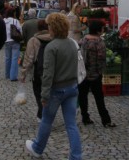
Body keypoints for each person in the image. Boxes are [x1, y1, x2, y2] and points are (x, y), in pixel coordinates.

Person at [25, 13, 82, 160]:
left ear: (54, 27)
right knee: (71, 125)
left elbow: (48, 74)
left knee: (47, 120)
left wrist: (44, 95)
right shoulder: (72, 43)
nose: (48, 27)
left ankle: (37, 148)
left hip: (56, 90)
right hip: (72, 88)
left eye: (49, 25)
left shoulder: (52, 47)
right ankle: (76, 156)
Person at [78, 20, 116, 128]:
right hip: (95, 75)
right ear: (99, 30)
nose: (103, 30)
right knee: (99, 98)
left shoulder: (84, 40)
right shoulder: (99, 42)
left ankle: (85, 117)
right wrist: (100, 71)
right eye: (102, 28)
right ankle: (106, 120)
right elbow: (101, 59)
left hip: (83, 74)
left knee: (82, 97)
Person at [20, 19, 52, 121]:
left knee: (38, 92)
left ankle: (41, 113)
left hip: (38, 71)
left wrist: (24, 73)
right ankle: (47, 112)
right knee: (50, 91)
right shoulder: (54, 39)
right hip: (52, 70)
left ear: (38, 28)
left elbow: (29, 58)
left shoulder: (33, 40)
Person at [4, 8, 22, 81]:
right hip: (15, 40)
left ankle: (7, 75)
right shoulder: (15, 21)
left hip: (6, 41)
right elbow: (20, 30)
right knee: (15, 58)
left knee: (7, 58)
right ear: (13, 14)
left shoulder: (3, 21)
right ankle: (13, 76)